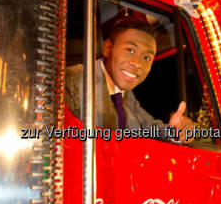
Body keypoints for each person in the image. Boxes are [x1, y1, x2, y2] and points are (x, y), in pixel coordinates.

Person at [65, 17, 194, 143]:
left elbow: (148, 127)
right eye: (130, 50)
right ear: (107, 49)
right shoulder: (72, 80)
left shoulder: (126, 96)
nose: (137, 64)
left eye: (146, 58)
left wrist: (174, 131)